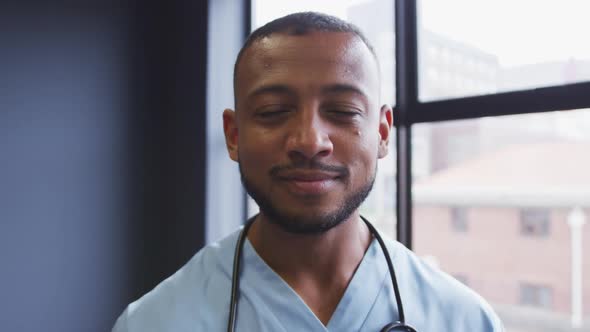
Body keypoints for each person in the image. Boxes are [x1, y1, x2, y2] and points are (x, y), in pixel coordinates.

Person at [112, 12, 504, 331]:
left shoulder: (465, 320)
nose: (310, 140)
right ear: (234, 135)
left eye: (342, 112)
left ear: (382, 133)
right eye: (273, 112)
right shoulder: (154, 322)